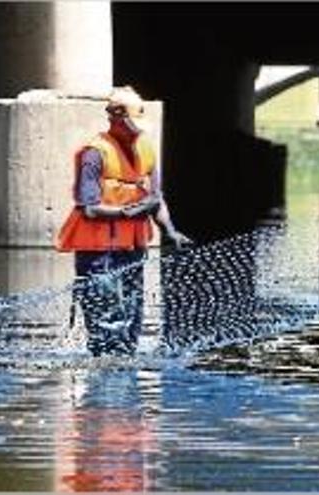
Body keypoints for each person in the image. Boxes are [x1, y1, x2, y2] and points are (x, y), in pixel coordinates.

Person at [56, 86, 192, 357]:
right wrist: (126, 213)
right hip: (99, 254)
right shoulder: (94, 153)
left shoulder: (146, 148)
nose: (135, 131)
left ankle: (124, 373)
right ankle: (104, 376)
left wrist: (171, 231)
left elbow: (156, 199)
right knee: (105, 314)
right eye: (130, 125)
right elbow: (89, 208)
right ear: (115, 118)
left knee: (131, 313)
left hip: (132, 250)